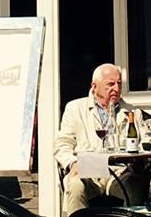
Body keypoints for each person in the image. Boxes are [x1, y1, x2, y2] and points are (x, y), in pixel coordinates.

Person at [54, 63, 137, 209]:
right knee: (75, 185)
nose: (116, 89)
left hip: (119, 171)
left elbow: (144, 142)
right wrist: (73, 163)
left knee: (133, 184)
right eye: (110, 84)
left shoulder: (132, 112)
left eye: (119, 84)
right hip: (87, 170)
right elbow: (62, 145)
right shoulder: (75, 108)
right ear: (94, 86)